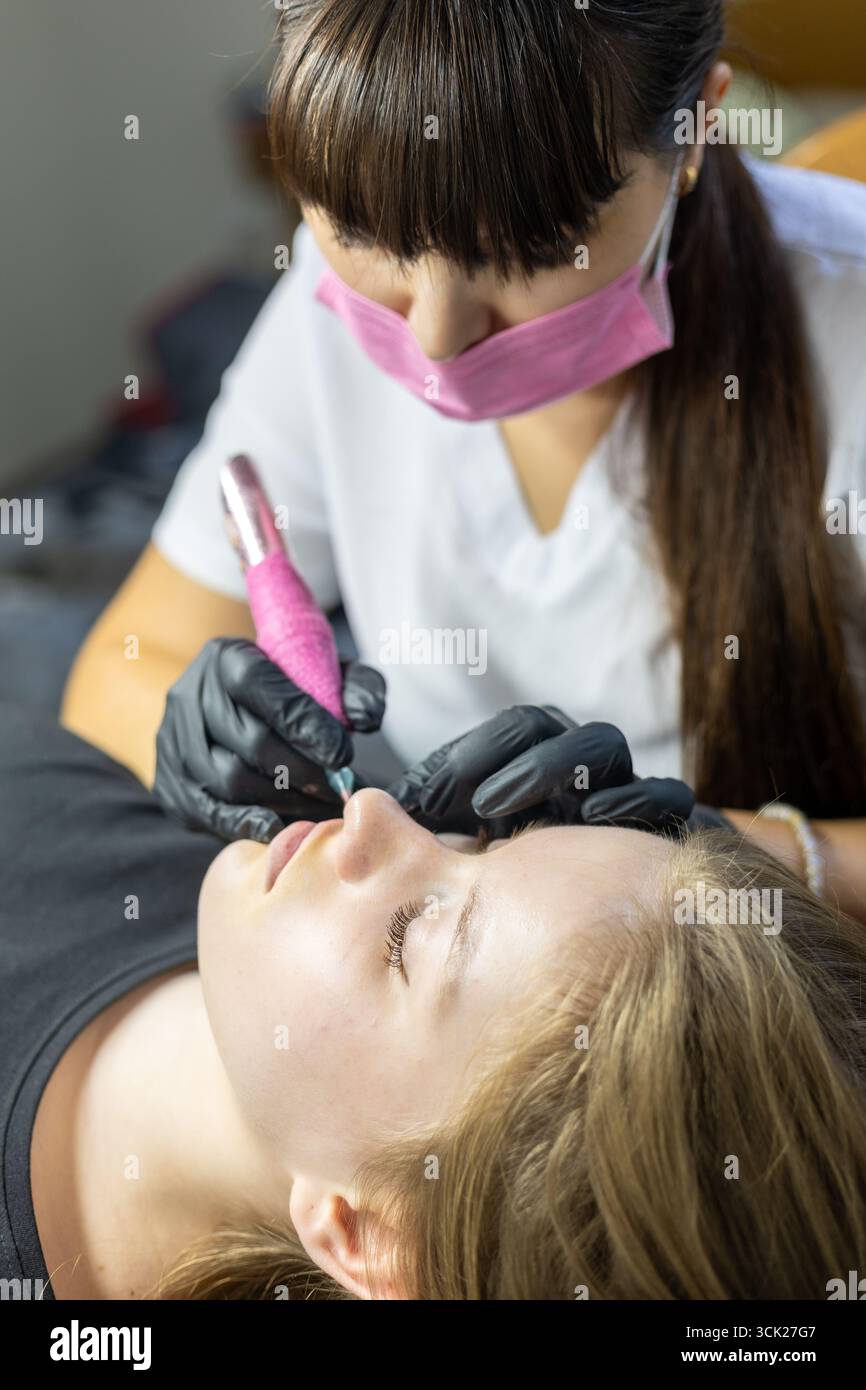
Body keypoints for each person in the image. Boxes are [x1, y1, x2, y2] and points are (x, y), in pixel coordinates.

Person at [62, 1, 866, 911]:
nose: (437, 340)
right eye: (368, 231)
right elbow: (125, 663)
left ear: (695, 131)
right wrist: (199, 739)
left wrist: (736, 855)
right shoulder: (322, 315)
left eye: (525, 251)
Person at [3, 707, 865, 1300]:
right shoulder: (242, 862)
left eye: (411, 935)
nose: (376, 808)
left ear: (368, 1237)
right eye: (495, 839)